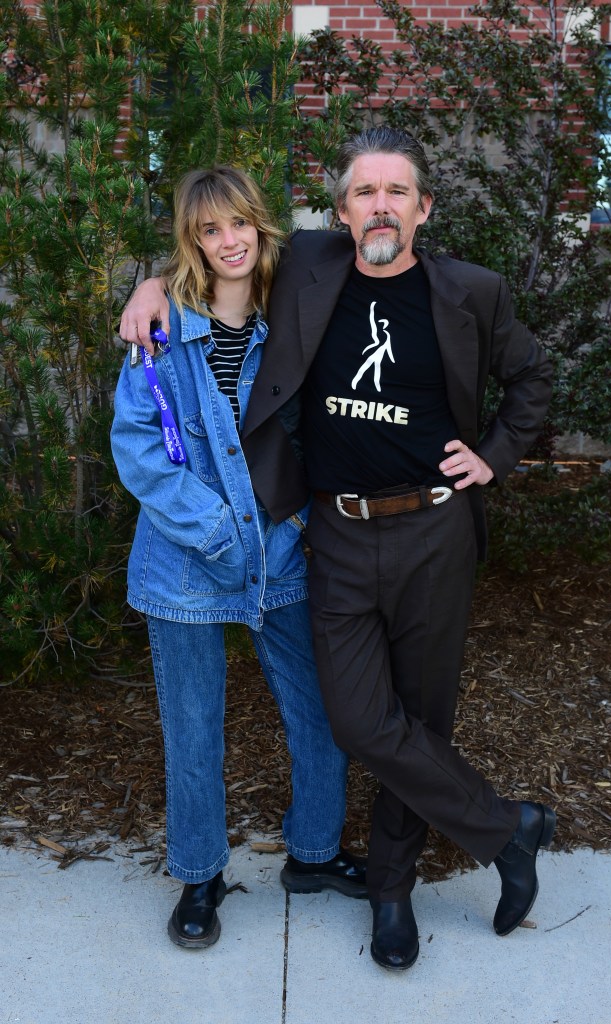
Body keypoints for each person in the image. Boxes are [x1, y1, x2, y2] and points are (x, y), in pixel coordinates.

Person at [120, 128, 556, 972]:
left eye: (398, 192)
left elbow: (531, 377)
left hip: (399, 532)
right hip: (305, 538)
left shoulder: (453, 290)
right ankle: (505, 829)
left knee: (392, 716)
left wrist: (494, 456)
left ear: (424, 207)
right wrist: (144, 288)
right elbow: (211, 272)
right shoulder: (280, 284)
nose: (380, 206)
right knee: (334, 717)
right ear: (340, 211)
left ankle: (385, 885)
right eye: (364, 192)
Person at [111, 166, 367, 952]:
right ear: (190, 241)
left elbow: (351, 247)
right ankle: (199, 874)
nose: (229, 242)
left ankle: (314, 853)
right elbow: (140, 449)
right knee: (193, 729)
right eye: (209, 230)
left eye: (240, 225)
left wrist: (281, 529)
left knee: (318, 713)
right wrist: (221, 531)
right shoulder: (161, 329)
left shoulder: (289, 315)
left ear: (259, 228)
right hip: (186, 562)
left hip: (283, 551)